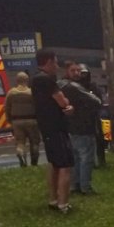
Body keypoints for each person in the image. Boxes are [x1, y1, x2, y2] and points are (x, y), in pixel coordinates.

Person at [31, 49, 75, 214]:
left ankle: (53, 199)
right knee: (65, 165)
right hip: (57, 127)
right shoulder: (47, 80)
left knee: (54, 164)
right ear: (48, 62)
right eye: (55, 62)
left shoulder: (35, 79)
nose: (57, 66)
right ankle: (63, 203)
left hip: (46, 127)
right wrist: (68, 106)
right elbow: (63, 101)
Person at [58, 61, 101, 196]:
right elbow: (96, 101)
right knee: (86, 158)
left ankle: (75, 185)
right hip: (83, 127)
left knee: (76, 158)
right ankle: (85, 187)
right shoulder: (74, 87)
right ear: (67, 71)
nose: (77, 73)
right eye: (73, 71)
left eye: (78, 71)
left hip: (69, 127)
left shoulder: (60, 85)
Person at [4, 71, 40, 167]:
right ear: (27, 80)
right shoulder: (32, 92)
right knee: (34, 142)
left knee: (20, 142)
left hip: (17, 121)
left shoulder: (11, 93)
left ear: (17, 80)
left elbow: (7, 107)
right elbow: (38, 106)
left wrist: (9, 119)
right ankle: (34, 162)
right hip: (32, 120)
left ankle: (20, 153)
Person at [78, 64, 106, 167]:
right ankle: (89, 162)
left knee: (99, 139)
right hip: (80, 118)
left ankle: (101, 161)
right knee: (84, 142)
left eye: (85, 73)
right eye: (82, 74)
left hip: (93, 116)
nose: (83, 76)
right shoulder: (76, 87)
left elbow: (99, 101)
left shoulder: (93, 86)